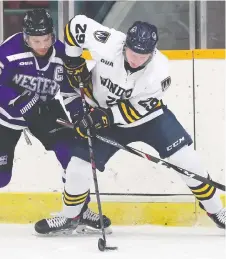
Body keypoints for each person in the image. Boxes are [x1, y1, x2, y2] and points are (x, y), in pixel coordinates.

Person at [34, 14, 226, 234]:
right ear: (125, 45)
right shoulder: (108, 42)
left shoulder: (160, 72)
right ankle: (70, 216)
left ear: (152, 53)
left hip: (149, 119)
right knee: (79, 167)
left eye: (143, 56)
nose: (136, 60)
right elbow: (75, 25)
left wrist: (104, 117)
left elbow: (137, 110)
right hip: (101, 114)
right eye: (132, 53)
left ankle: (217, 212)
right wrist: (73, 60)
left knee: (188, 160)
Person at [0, 9, 111, 235]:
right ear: (25, 37)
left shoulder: (62, 53)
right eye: (35, 40)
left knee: (72, 157)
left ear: (52, 35)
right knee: (2, 177)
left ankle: (79, 209)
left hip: (46, 112)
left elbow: (70, 92)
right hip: (6, 118)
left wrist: (80, 116)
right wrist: (18, 100)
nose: (41, 45)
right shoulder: (8, 51)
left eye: (46, 39)